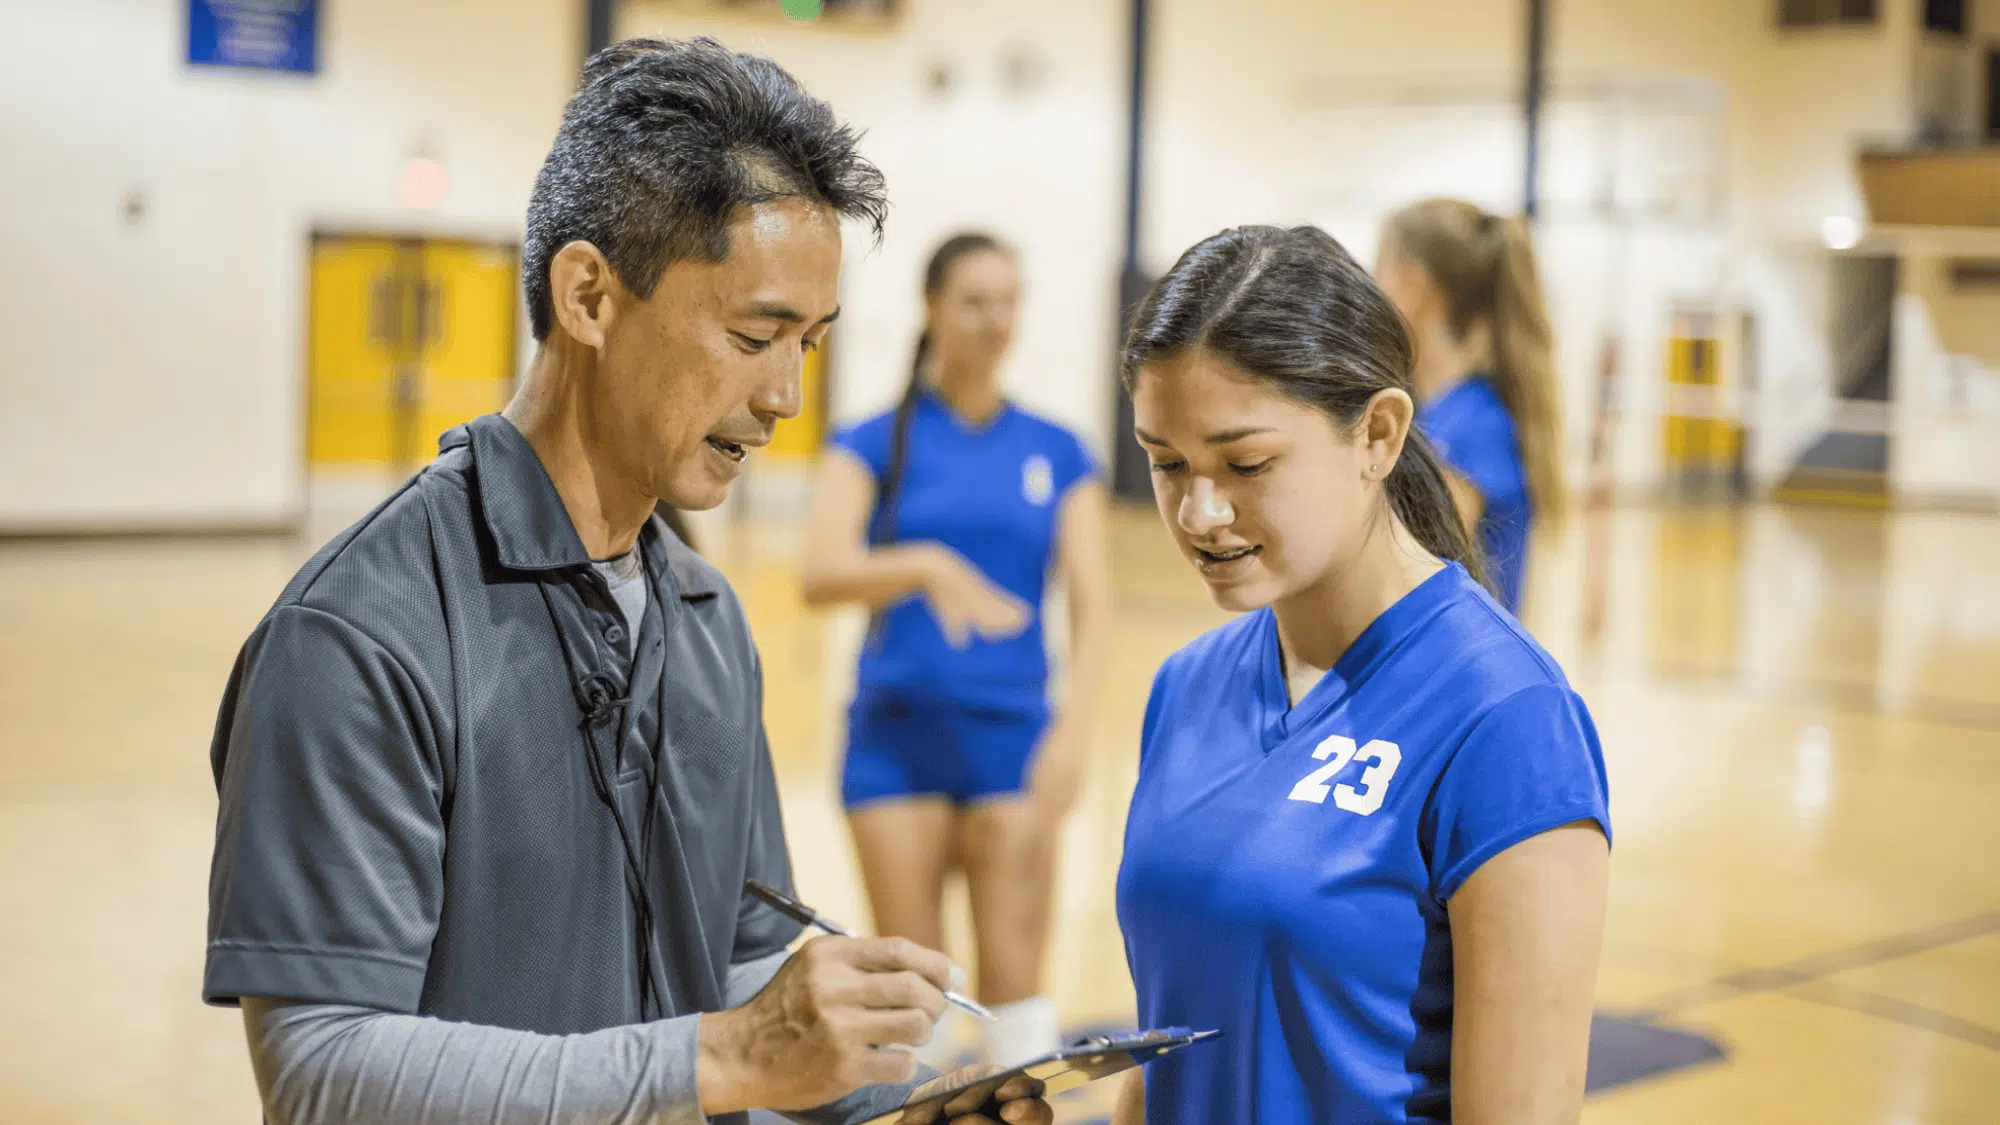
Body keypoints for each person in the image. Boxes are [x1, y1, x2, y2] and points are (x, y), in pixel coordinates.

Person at [203, 38, 1049, 1125]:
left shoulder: (706, 621)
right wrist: (728, 1057)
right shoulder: (358, 634)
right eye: (755, 335)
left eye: (811, 342)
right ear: (589, 295)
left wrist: (905, 1099)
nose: (787, 396)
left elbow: (734, 964)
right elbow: (323, 1074)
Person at [1109, 226, 1610, 1124]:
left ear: (1377, 433)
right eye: (1166, 461)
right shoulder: (1186, 686)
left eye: (1246, 463)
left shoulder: (1508, 720)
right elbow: (1172, 1056)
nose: (1199, 511)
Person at [800, 234, 1111, 1068]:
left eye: (1010, 300)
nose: (996, 320)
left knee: (1015, 996)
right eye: (976, 301)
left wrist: (1075, 738)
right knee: (915, 998)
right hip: (895, 740)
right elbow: (819, 572)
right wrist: (924, 565)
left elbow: (1093, 605)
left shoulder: (1057, 449)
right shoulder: (873, 439)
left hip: (1013, 741)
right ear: (932, 308)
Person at [1373, 199, 1568, 615]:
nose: (1371, 290)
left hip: (1463, 672)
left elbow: (1416, 582)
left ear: (1413, 288)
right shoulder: (1437, 413)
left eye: (1379, 272)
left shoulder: (1473, 424)